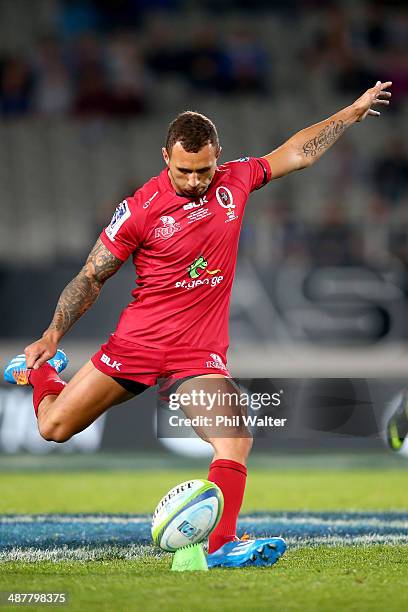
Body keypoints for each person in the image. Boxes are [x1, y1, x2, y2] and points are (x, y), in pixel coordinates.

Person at [4, 80, 391, 568]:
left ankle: (220, 545)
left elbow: (298, 153)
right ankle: (43, 371)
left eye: (203, 169)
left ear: (218, 156)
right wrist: (52, 335)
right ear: (165, 157)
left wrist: (351, 113)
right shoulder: (140, 209)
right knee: (52, 428)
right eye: (184, 171)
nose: (194, 181)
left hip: (197, 357)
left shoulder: (236, 180)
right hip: (137, 345)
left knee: (236, 438)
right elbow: (91, 276)